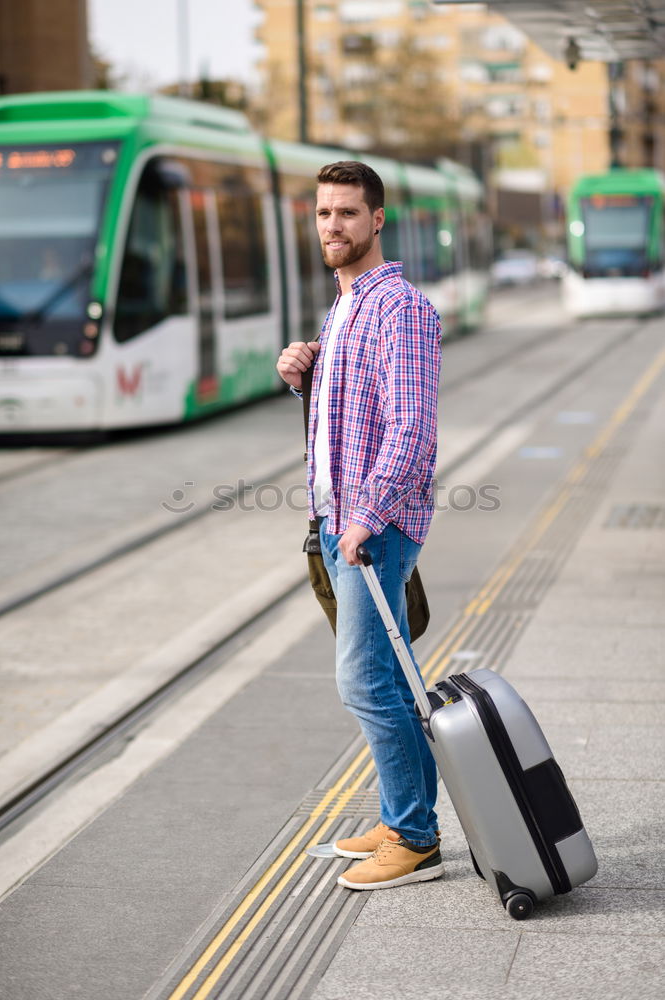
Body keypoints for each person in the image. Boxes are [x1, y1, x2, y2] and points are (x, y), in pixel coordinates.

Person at [276, 161, 442, 890]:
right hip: (340, 518)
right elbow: (357, 409)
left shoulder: (397, 307)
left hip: (370, 528)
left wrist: (365, 518)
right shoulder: (343, 305)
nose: (332, 226)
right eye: (322, 214)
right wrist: (304, 374)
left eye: (347, 213)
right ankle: (398, 815)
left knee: (367, 684)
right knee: (386, 681)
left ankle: (414, 838)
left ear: (377, 220)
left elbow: (412, 432)